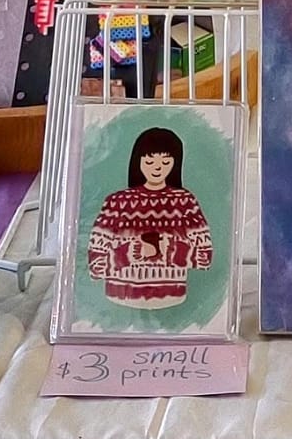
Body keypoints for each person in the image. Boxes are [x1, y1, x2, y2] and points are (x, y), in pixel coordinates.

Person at [87, 125, 213, 309]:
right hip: (119, 297)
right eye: (150, 161)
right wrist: (133, 252)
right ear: (137, 161)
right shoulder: (117, 203)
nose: (157, 168)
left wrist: (168, 248)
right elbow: (95, 264)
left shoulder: (185, 201)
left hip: (172, 298)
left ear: (175, 163)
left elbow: (205, 256)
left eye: (165, 162)